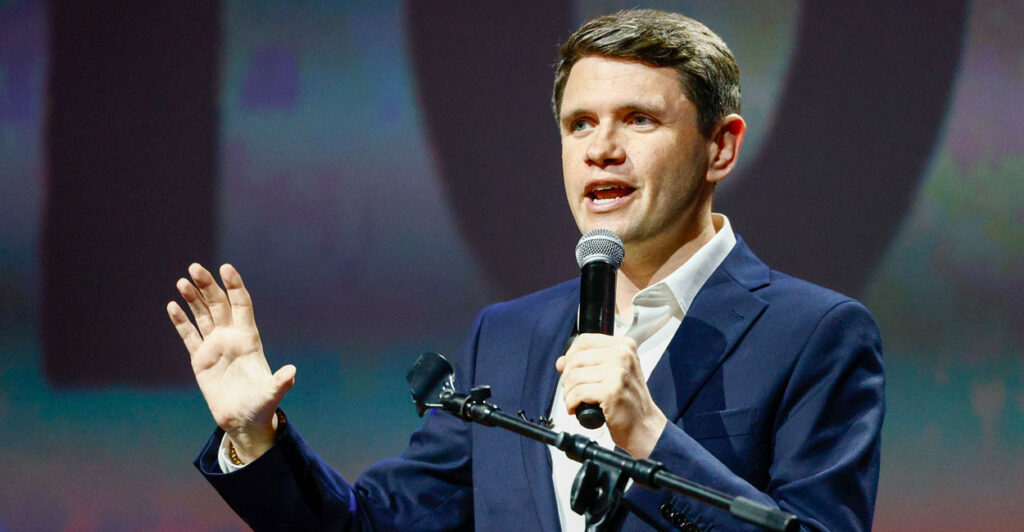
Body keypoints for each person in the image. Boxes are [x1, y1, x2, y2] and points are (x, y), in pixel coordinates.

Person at [167, 9, 884, 531]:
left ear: (720, 149)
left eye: (638, 119)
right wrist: (256, 438)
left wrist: (653, 438)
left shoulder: (815, 334)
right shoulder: (506, 338)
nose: (600, 148)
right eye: (579, 124)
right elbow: (371, 527)